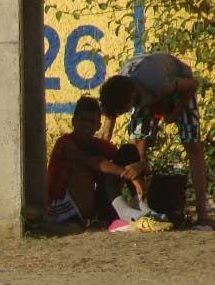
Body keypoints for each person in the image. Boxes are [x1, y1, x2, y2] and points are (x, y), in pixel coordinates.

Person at [99, 52, 210, 229]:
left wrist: (173, 113)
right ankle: (141, 204)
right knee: (135, 148)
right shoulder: (118, 90)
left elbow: (192, 85)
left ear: (132, 97)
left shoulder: (159, 84)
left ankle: (203, 215)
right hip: (147, 86)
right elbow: (106, 135)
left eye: (125, 109)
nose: (123, 113)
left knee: (192, 145)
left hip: (180, 84)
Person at [47, 96, 172, 232]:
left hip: (90, 205)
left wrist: (139, 166)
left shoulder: (98, 144)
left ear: (98, 126)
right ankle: (122, 211)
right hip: (61, 208)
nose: (87, 125)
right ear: (74, 121)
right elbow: (94, 163)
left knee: (127, 151)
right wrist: (130, 175)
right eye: (83, 120)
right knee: (93, 170)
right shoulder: (65, 143)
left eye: (92, 121)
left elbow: (127, 160)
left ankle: (140, 204)